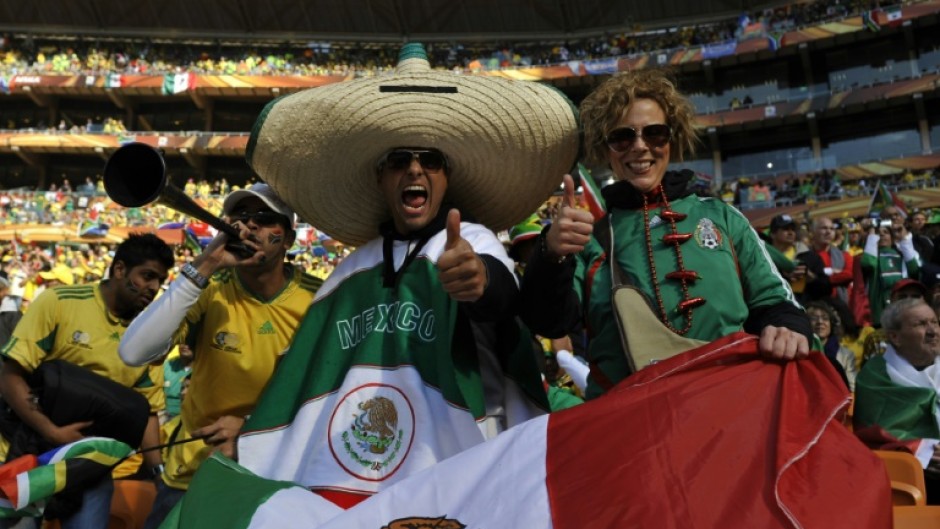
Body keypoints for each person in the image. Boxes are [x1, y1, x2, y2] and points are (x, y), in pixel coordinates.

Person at [235, 42, 578, 507]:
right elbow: (303, 378)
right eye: (399, 160)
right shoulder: (351, 269)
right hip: (362, 486)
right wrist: (253, 428)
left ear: (445, 179)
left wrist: (478, 282)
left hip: (459, 473)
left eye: (429, 160)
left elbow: (501, 296)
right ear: (380, 178)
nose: (415, 168)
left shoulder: (472, 239)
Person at [519, 69, 811, 399]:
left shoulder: (723, 217)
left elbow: (775, 301)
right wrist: (552, 255)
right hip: (631, 421)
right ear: (606, 148)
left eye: (654, 133)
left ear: (672, 139)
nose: (640, 147)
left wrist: (786, 327)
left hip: (730, 405)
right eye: (622, 137)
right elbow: (549, 322)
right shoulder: (587, 239)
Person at [118, 184, 323, 529]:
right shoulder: (207, 288)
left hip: (274, 476)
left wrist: (250, 430)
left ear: (287, 239)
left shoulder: (320, 300)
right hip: (193, 474)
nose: (250, 225)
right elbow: (133, 351)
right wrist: (210, 260)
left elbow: (329, 399)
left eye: (264, 218)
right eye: (240, 217)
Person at [0, 233, 173, 528]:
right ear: (119, 270)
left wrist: (158, 473)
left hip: (90, 468)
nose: (154, 288)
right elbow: (9, 376)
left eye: (159, 280)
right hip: (28, 459)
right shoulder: (60, 302)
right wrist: (53, 433)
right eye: (147, 276)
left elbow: (149, 412)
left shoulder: (147, 336)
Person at [854, 298, 940, 504]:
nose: (933, 331)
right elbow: (873, 434)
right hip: (914, 474)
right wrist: (925, 451)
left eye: (935, 322)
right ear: (895, 337)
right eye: (920, 324)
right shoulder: (876, 375)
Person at [861, 217, 921, 326]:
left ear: (892, 238)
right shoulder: (871, 255)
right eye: (878, 233)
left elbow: (914, 270)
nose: (882, 235)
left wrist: (903, 236)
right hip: (879, 314)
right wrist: (871, 232)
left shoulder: (901, 255)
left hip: (902, 311)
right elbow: (868, 263)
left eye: (886, 232)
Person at [767, 213, 829, 303]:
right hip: (774, 305)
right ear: (773, 234)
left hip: (805, 306)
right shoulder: (763, 257)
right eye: (785, 229)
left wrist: (811, 277)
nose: (791, 233)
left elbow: (826, 288)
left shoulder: (810, 256)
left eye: (793, 229)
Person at [804, 301, 856, 390]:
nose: (820, 322)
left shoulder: (846, 355)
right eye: (813, 318)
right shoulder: (801, 351)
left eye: (825, 318)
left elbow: (852, 388)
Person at [812, 217, 853, 304]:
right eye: (824, 228)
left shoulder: (845, 256)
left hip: (841, 303)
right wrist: (833, 272)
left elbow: (849, 274)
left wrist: (820, 277)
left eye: (832, 229)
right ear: (813, 232)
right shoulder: (805, 255)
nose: (828, 232)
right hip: (815, 303)